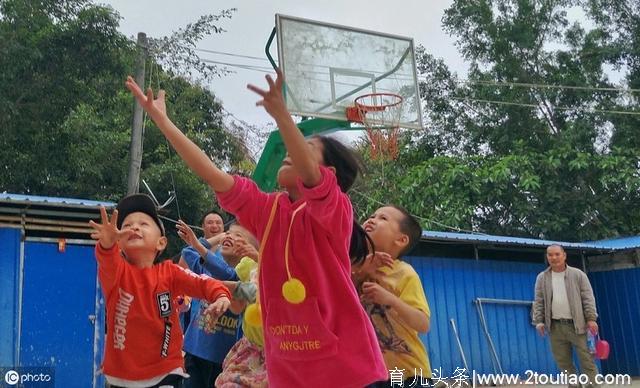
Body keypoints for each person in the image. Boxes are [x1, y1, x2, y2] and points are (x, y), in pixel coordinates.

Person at [125, 69, 387, 387]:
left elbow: (311, 177)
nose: (290, 152)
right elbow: (210, 172)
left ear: (329, 172)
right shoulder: (267, 209)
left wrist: (282, 116)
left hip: (349, 370)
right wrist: (163, 122)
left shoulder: (335, 210)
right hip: (290, 372)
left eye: (305, 148)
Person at [89, 193, 231, 388]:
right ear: (119, 243)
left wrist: (221, 294)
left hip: (166, 372)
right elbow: (107, 257)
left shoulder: (169, 272)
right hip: (121, 377)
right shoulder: (116, 274)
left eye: (143, 224)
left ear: (161, 242)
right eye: (127, 225)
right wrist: (106, 244)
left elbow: (202, 282)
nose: (134, 227)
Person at [354, 205, 432, 387]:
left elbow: (423, 323)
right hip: (369, 376)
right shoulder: (354, 270)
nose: (371, 219)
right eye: (372, 215)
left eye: (383, 218)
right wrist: (358, 271)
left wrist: (390, 300)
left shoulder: (404, 274)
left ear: (401, 240)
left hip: (409, 374)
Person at [178, 220, 259, 388]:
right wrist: (217, 237)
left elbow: (227, 274)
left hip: (222, 359)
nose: (229, 236)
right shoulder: (206, 267)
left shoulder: (246, 276)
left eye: (238, 235)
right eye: (228, 233)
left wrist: (201, 245)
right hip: (195, 353)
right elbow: (188, 251)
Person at [532, 244, 599, 387]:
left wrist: (591, 318)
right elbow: (539, 301)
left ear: (564, 255)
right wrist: (539, 321)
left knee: (587, 361)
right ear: (547, 257)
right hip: (555, 327)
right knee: (564, 364)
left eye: (557, 254)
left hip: (578, 325)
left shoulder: (578, 275)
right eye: (550, 255)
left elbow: (588, 298)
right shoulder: (542, 278)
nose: (554, 258)